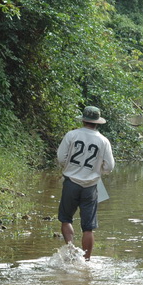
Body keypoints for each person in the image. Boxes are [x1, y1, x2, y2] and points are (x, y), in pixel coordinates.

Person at [57, 106, 115, 260]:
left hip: (71, 183)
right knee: (88, 227)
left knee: (66, 218)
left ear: (83, 120)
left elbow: (61, 158)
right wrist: (98, 170)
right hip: (91, 186)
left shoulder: (72, 135)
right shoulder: (103, 141)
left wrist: (70, 167)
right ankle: (87, 260)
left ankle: (70, 250)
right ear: (98, 122)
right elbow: (109, 166)